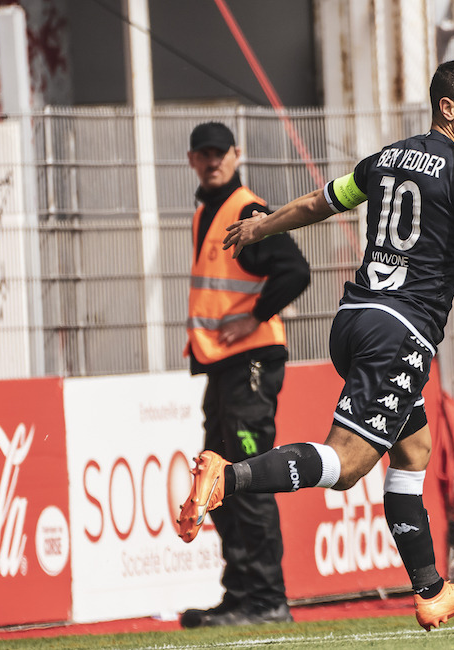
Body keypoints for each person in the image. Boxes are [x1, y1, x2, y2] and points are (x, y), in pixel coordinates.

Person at [179, 58, 454, 631]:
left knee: (414, 452)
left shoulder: (385, 160)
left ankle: (431, 591)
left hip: (354, 322)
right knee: (350, 465)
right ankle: (226, 479)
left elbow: (319, 203)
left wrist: (261, 225)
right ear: (447, 109)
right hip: (399, 332)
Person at [178, 122, 311, 628]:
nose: (212, 161)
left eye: (220, 153)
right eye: (202, 154)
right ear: (192, 160)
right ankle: (242, 594)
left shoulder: (247, 210)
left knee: (246, 479)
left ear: (237, 154)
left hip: (251, 364)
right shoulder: (207, 212)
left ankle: (265, 599)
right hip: (225, 366)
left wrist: (252, 316)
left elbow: (295, 271)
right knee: (217, 482)